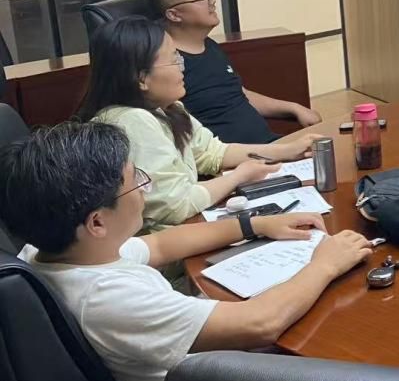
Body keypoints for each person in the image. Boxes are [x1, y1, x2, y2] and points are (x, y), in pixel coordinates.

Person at [0, 120, 372, 381]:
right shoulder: (108, 297)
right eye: (135, 181)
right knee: (352, 355)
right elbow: (261, 323)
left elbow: (162, 244)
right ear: (97, 222)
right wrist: (325, 264)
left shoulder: (52, 251)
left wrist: (255, 224)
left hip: (207, 379)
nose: (146, 188)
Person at [78, 16, 322, 227]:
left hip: (190, 226)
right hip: (167, 245)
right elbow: (175, 206)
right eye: (174, 59)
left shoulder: (168, 108)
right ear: (141, 78)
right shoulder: (132, 121)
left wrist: (288, 150)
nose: (182, 68)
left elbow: (212, 153)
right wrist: (237, 177)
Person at [144, 0, 321, 144]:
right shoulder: (167, 64)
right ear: (174, 15)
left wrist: (293, 108)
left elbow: (237, 93)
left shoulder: (209, 45)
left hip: (268, 146)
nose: (211, 1)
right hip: (232, 157)